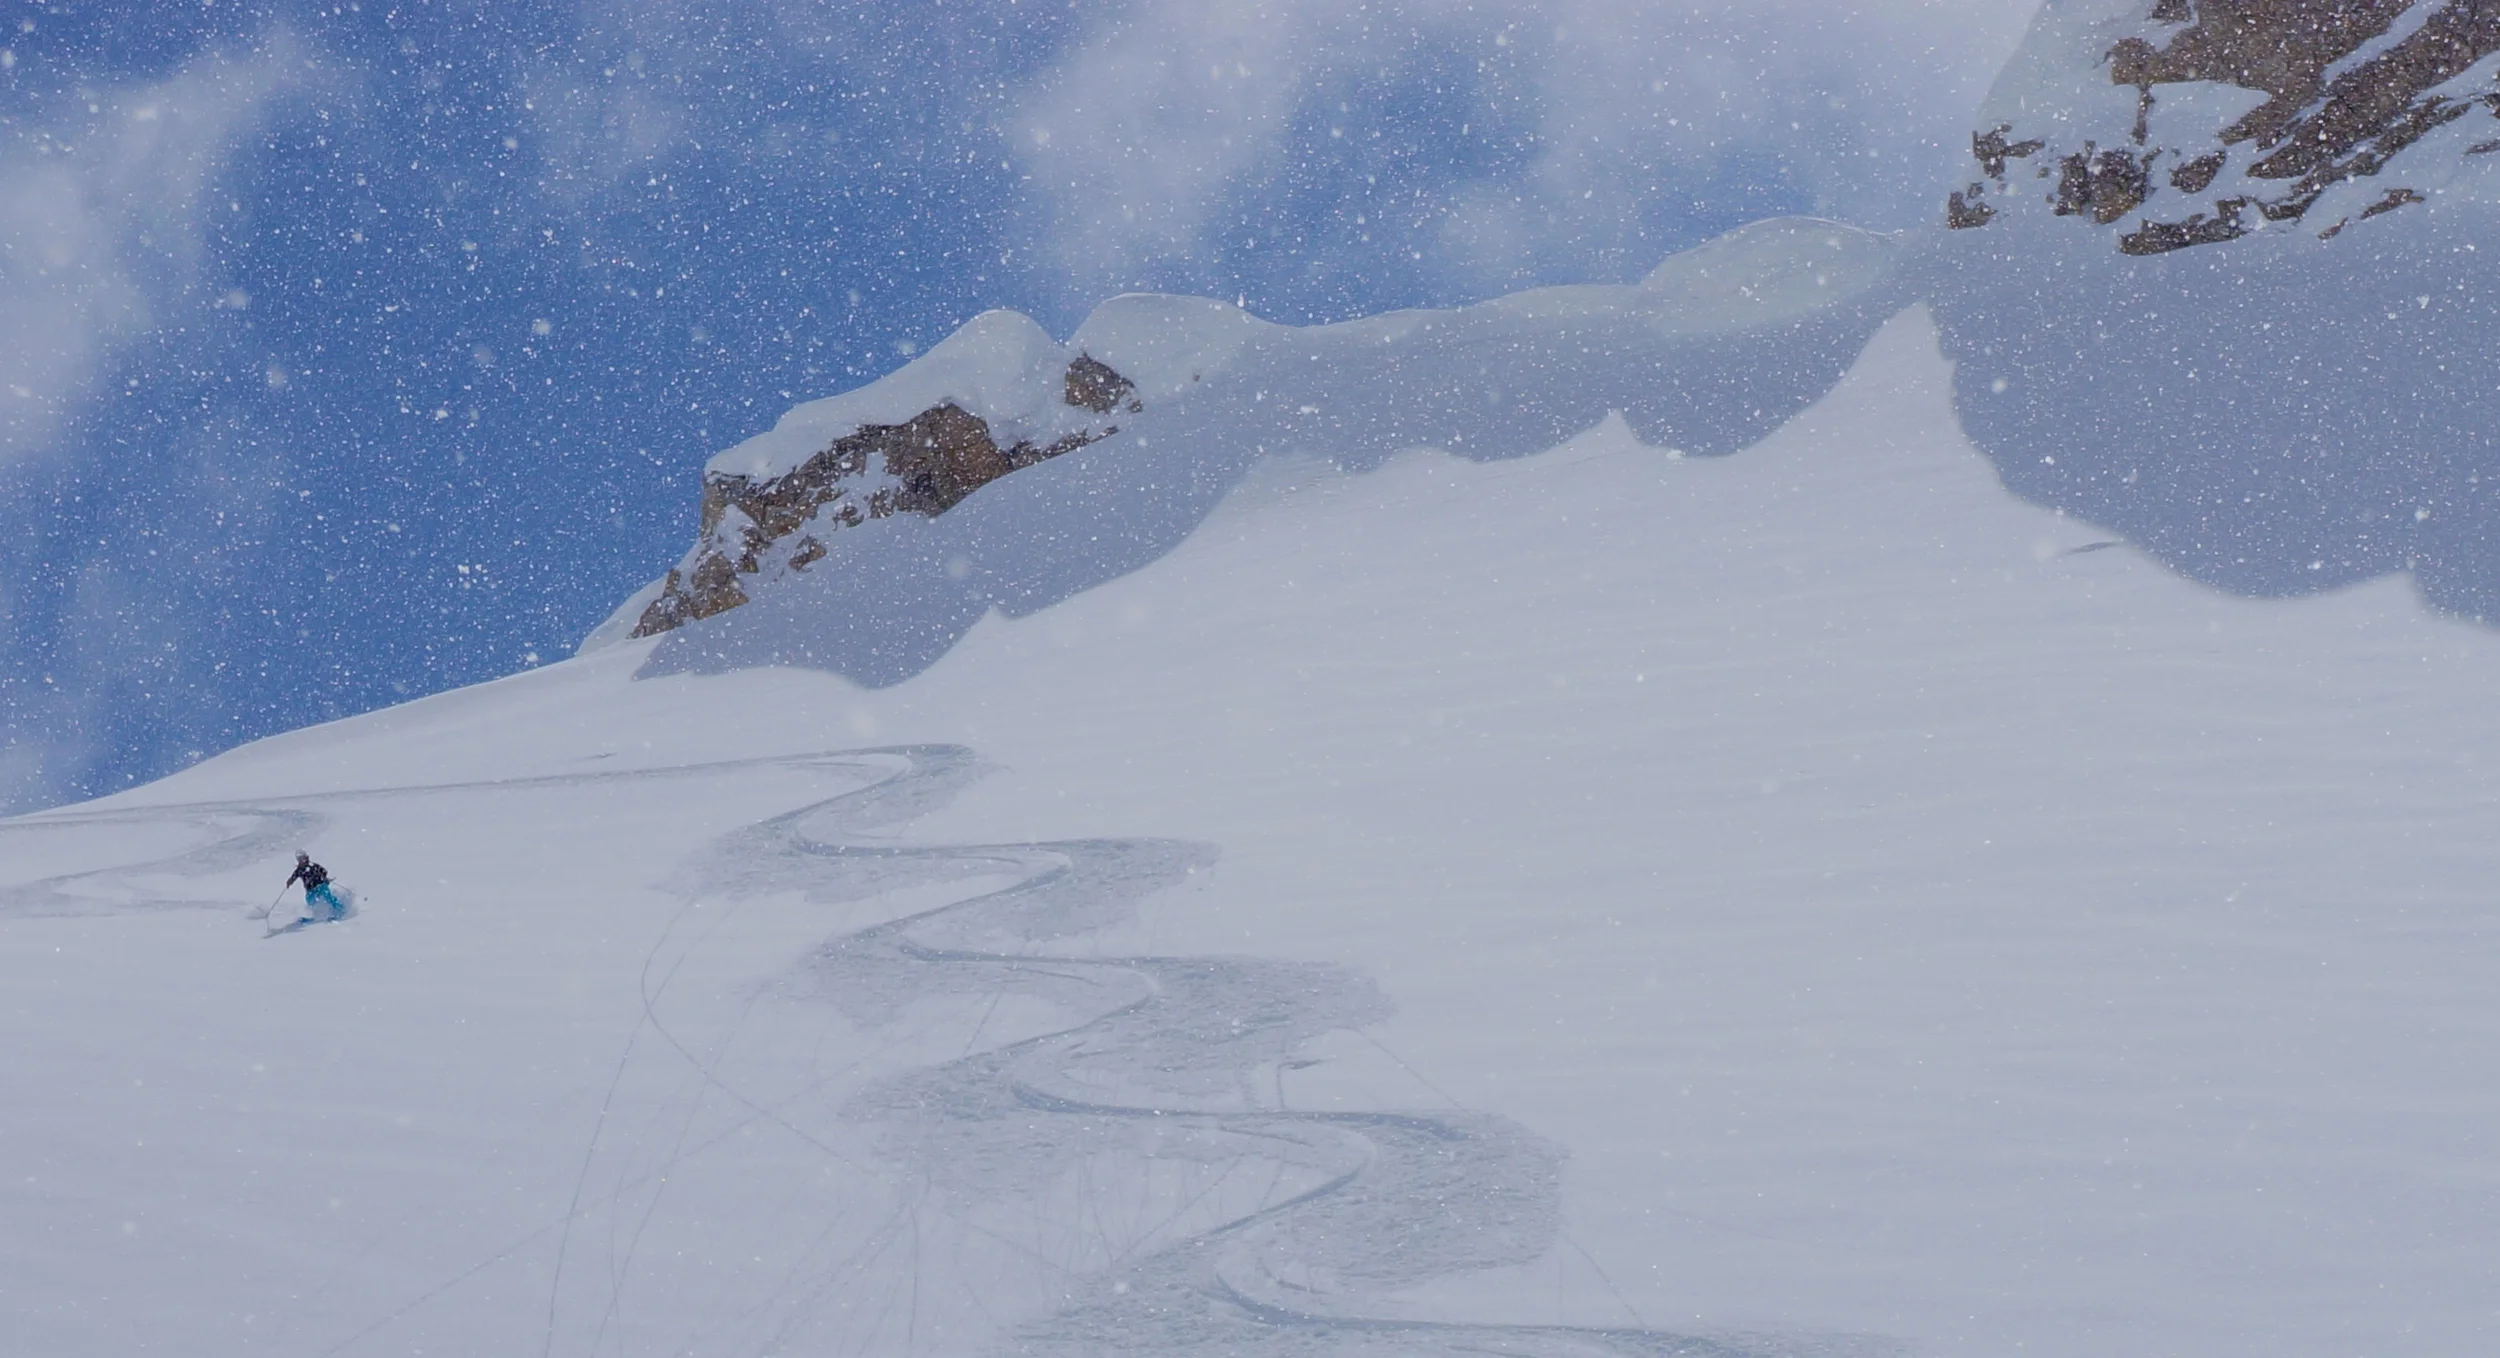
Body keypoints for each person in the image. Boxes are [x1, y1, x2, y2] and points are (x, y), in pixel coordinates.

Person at [285, 851, 344, 922]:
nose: (302, 861)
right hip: (310, 890)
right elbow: (293, 877)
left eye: (303, 858)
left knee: (328, 897)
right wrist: (289, 882)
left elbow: (324, 871)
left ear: (306, 858)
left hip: (320, 885)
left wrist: (322, 876)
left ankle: (339, 909)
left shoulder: (313, 866)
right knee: (310, 900)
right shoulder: (299, 870)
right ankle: (318, 915)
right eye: (300, 859)